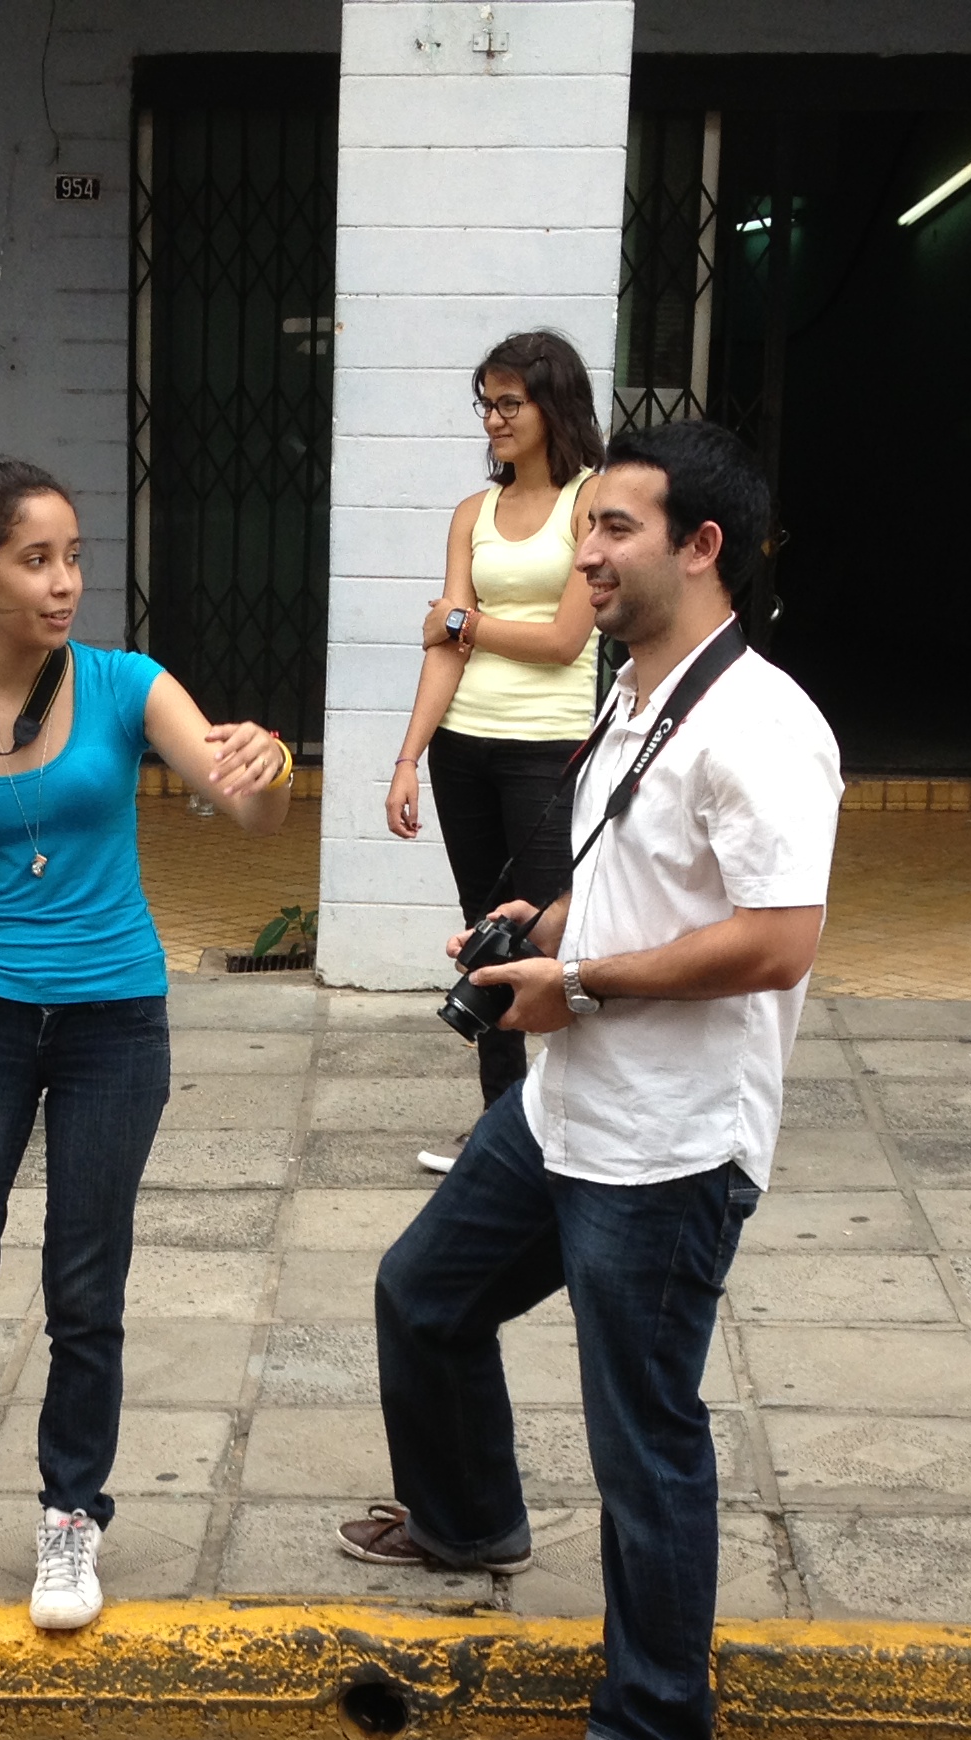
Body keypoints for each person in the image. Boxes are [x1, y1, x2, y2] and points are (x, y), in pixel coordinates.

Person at [343, 421, 837, 1740]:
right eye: (588, 526)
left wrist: (585, 979)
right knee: (423, 1295)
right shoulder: (640, 687)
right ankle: (467, 1519)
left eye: (616, 527)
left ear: (701, 547)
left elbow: (780, 939)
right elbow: (629, 872)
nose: (587, 550)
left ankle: (656, 1729)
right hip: (570, 1102)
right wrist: (537, 927)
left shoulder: (763, 727)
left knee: (643, 1438)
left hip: (671, 1146)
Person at [0, 458, 291, 1631]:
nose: (66, 581)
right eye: (37, 560)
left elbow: (247, 811)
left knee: (86, 1288)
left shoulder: (129, 685)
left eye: (74, 555)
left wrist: (264, 769)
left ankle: (70, 1519)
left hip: (114, 1021)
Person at [384, 330, 606, 1174]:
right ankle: (501, 1126)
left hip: (546, 748)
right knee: (488, 936)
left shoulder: (591, 501)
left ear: (553, 405)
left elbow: (561, 640)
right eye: (486, 403)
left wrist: (467, 623)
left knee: (553, 933)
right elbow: (443, 650)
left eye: (510, 402)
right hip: (463, 749)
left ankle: (577, 1119)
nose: (494, 418)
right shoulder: (470, 515)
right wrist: (408, 757)